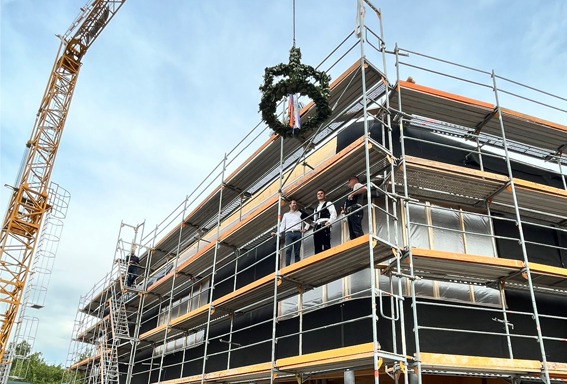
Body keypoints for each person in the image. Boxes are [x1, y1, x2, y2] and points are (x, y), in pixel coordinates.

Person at [277, 200, 308, 266]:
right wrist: (277, 233)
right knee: (288, 249)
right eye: (293, 203)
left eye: (295, 204)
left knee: (297, 251)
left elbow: (308, 221)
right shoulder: (286, 215)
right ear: (290, 205)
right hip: (288, 233)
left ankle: (297, 265)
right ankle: (287, 266)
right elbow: (282, 226)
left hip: (297, 233)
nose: (294, 205)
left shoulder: (299, 213)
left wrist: (305, 229)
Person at [312, 189, 337, 254]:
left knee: (326, 242)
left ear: (324, 195)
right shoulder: (315, 208)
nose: (320, 195)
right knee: (317, 244)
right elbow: (315, 219)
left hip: (324, 224)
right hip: (317, 226)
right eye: (318, 194)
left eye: (321, 193)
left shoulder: (328, 203)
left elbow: (333, 213)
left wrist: (330, 222)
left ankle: (327, 256)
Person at [342, 176, 367, 240]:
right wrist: (344, 211)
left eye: (350, 181)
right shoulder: (352, 190)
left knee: (356, 229)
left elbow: (364, 188)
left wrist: (353, 194)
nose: (348, 183)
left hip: (355, 209)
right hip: (351, 211)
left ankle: (360, 241)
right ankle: (355, 241)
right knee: (352, 230)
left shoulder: (357, 185)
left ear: (354, 180)